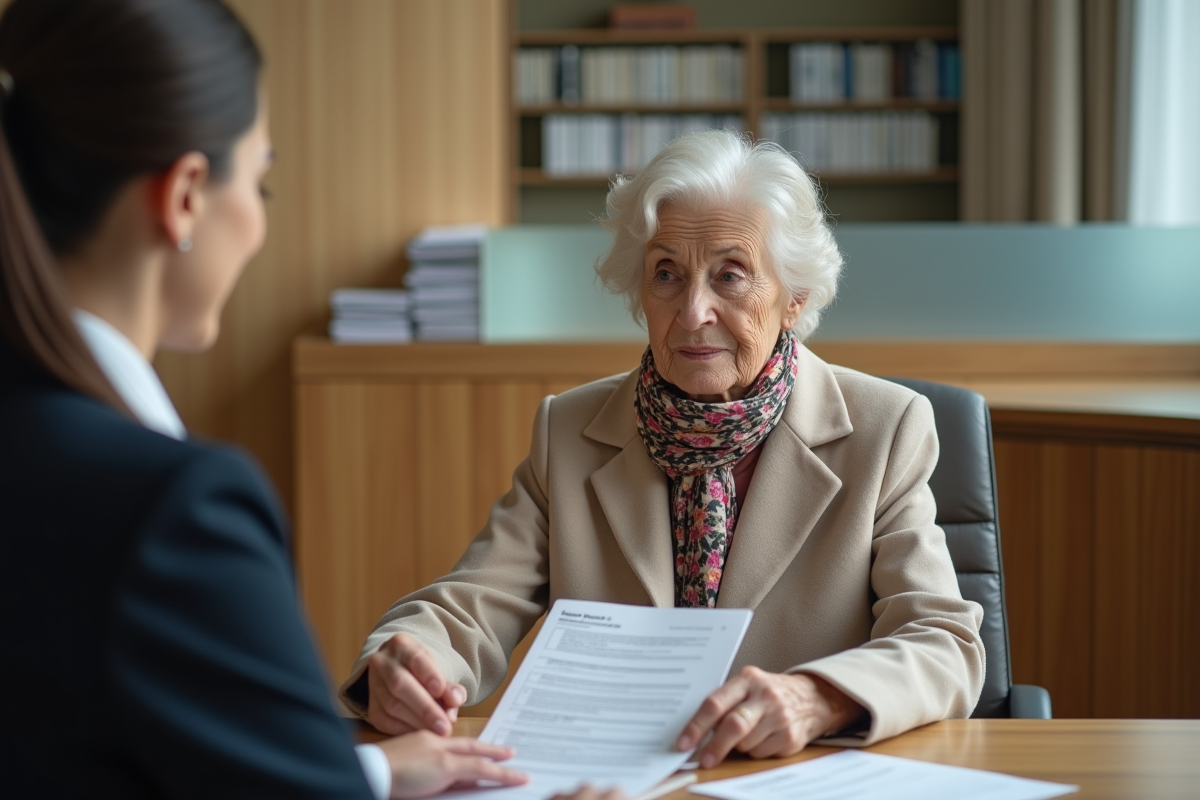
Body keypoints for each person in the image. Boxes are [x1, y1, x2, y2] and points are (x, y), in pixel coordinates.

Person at [0, 1, 557, 798]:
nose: (258, 221)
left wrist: (353, 770)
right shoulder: (170, 510)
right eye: (260, 180)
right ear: (186, 195)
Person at [341, 129, 987, 768]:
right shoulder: (570, 432)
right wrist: (403, 660)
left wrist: (816, 699)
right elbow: (469, 607)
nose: (692, 311)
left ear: (794, 300)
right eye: (667, 275)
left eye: (731, 276)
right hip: (616, 781)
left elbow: (943, 643)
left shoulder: (885, 429)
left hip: (793, 778)